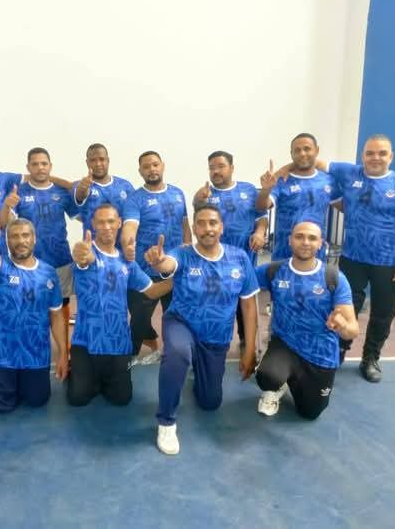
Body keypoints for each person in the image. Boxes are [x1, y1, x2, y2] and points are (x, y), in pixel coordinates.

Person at [145, 205, 259, 455]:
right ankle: (166, 421)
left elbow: (249, 307)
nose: (207, 228)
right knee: (177, 353)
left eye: (213, 223)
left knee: (210, 402)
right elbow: (168, 264)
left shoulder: (240, 258)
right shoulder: (183, 253)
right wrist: (159, 262)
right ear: (194, 229)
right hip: (181, 323)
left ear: (222, 227)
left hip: (216, 337)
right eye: (201, 223)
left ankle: (198, 368)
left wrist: (250, 349)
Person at [321, 134, 395, 382]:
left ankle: (370, 358)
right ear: (362, 155)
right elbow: (314, 160)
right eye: (370, 153)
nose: (375, 158)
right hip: (352, 258)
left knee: (383, 312)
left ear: (391, 156)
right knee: (345, 307)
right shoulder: (349, 173)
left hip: (389, 263)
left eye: (382, 153)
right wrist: (283, 172)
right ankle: (339, 352)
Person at [67, 204, 172, 406]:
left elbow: (151, 291)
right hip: (86, 341)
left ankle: (97, 379)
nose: (106, 226)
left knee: (122, 399)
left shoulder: (128, 262)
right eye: (101, 222)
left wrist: (177, 279)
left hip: (117, 341)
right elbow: (83, 259)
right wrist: (81, 255)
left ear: (119, 223)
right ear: (93, 224)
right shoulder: (87, 252)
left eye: (111, 221)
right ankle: (80, 371)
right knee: (78, 398)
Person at [254, 221, 358, 419]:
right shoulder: (274, 271)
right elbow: (241, 280)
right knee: (267, 376)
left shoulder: (333, 277)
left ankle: (294, 380)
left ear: (320, 244)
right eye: (299, 236)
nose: (306, 242)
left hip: (320, 352)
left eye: (312, 238)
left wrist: (343, 325)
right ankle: (276, 385)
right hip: (285, 343)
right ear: (290, 240)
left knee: (310, 413)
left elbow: (353, 330)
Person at [0, 213, 68, 414]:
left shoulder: (48, 272)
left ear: (34, 238)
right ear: (7, 240)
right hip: (3, 357)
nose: (21, 241)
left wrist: (63, 353)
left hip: (37, 357)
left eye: (25, 235)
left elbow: (56, 315)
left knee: (38, 402)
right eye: (14, 236)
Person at [193, 150, 268, 353]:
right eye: (211, 168)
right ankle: (209, 348)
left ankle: (247, 345)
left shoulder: (249, 190)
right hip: (214, 265)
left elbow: (261, 216)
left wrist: (260, 232)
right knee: (214, 307)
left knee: (246, 307)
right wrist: (197, 201)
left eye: (220, 166)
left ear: (232, 168)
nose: (215, 171)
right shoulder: (206, 195)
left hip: (245, 260)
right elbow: (198, 221)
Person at [121, 150, 192, 362]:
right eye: (146, 166)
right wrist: (128, 245)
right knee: (139, 319)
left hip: (174, 268)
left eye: (155, 164)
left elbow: (185, 224)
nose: (151, 169)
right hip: (145, 271)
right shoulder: (135, 199)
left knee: (175, 317)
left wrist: (188, 249)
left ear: (162, 166)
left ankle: (172, 355)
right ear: (140, 171)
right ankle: (131, 356)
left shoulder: (178, 193)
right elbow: (130, 227)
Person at [0, 147, 79, 334]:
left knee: (62, 303)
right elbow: (4, 223)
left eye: (44, 163)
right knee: (31, 303)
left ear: (50, 166)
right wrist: (7, 206)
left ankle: (64, 347)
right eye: (35, 164)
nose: (40, 167)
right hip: (29, 262)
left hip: (60, 258)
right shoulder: (18, 192)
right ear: (28, 167)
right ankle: (33, 342)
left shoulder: (62, 192)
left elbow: (82, 217)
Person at [255, 133, 340, 260]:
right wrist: (266, 189)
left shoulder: (328, 180)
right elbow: (262, 206)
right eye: (297, 150)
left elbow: (345, 207)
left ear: (316, 150)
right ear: (292, 154)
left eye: (307, 149)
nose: (302, 153)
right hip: (284, 255)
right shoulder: (281, 180)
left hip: (316, 256)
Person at [73, 143, 135, 238]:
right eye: (93, 160)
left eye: (102, 159)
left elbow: (134, 216)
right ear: (87, 162)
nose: (98, 164)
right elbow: (79, 198)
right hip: (92, 246)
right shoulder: (81, 186)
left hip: (122, 246)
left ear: (108, 160)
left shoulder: (125, 185)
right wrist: (82, 190)